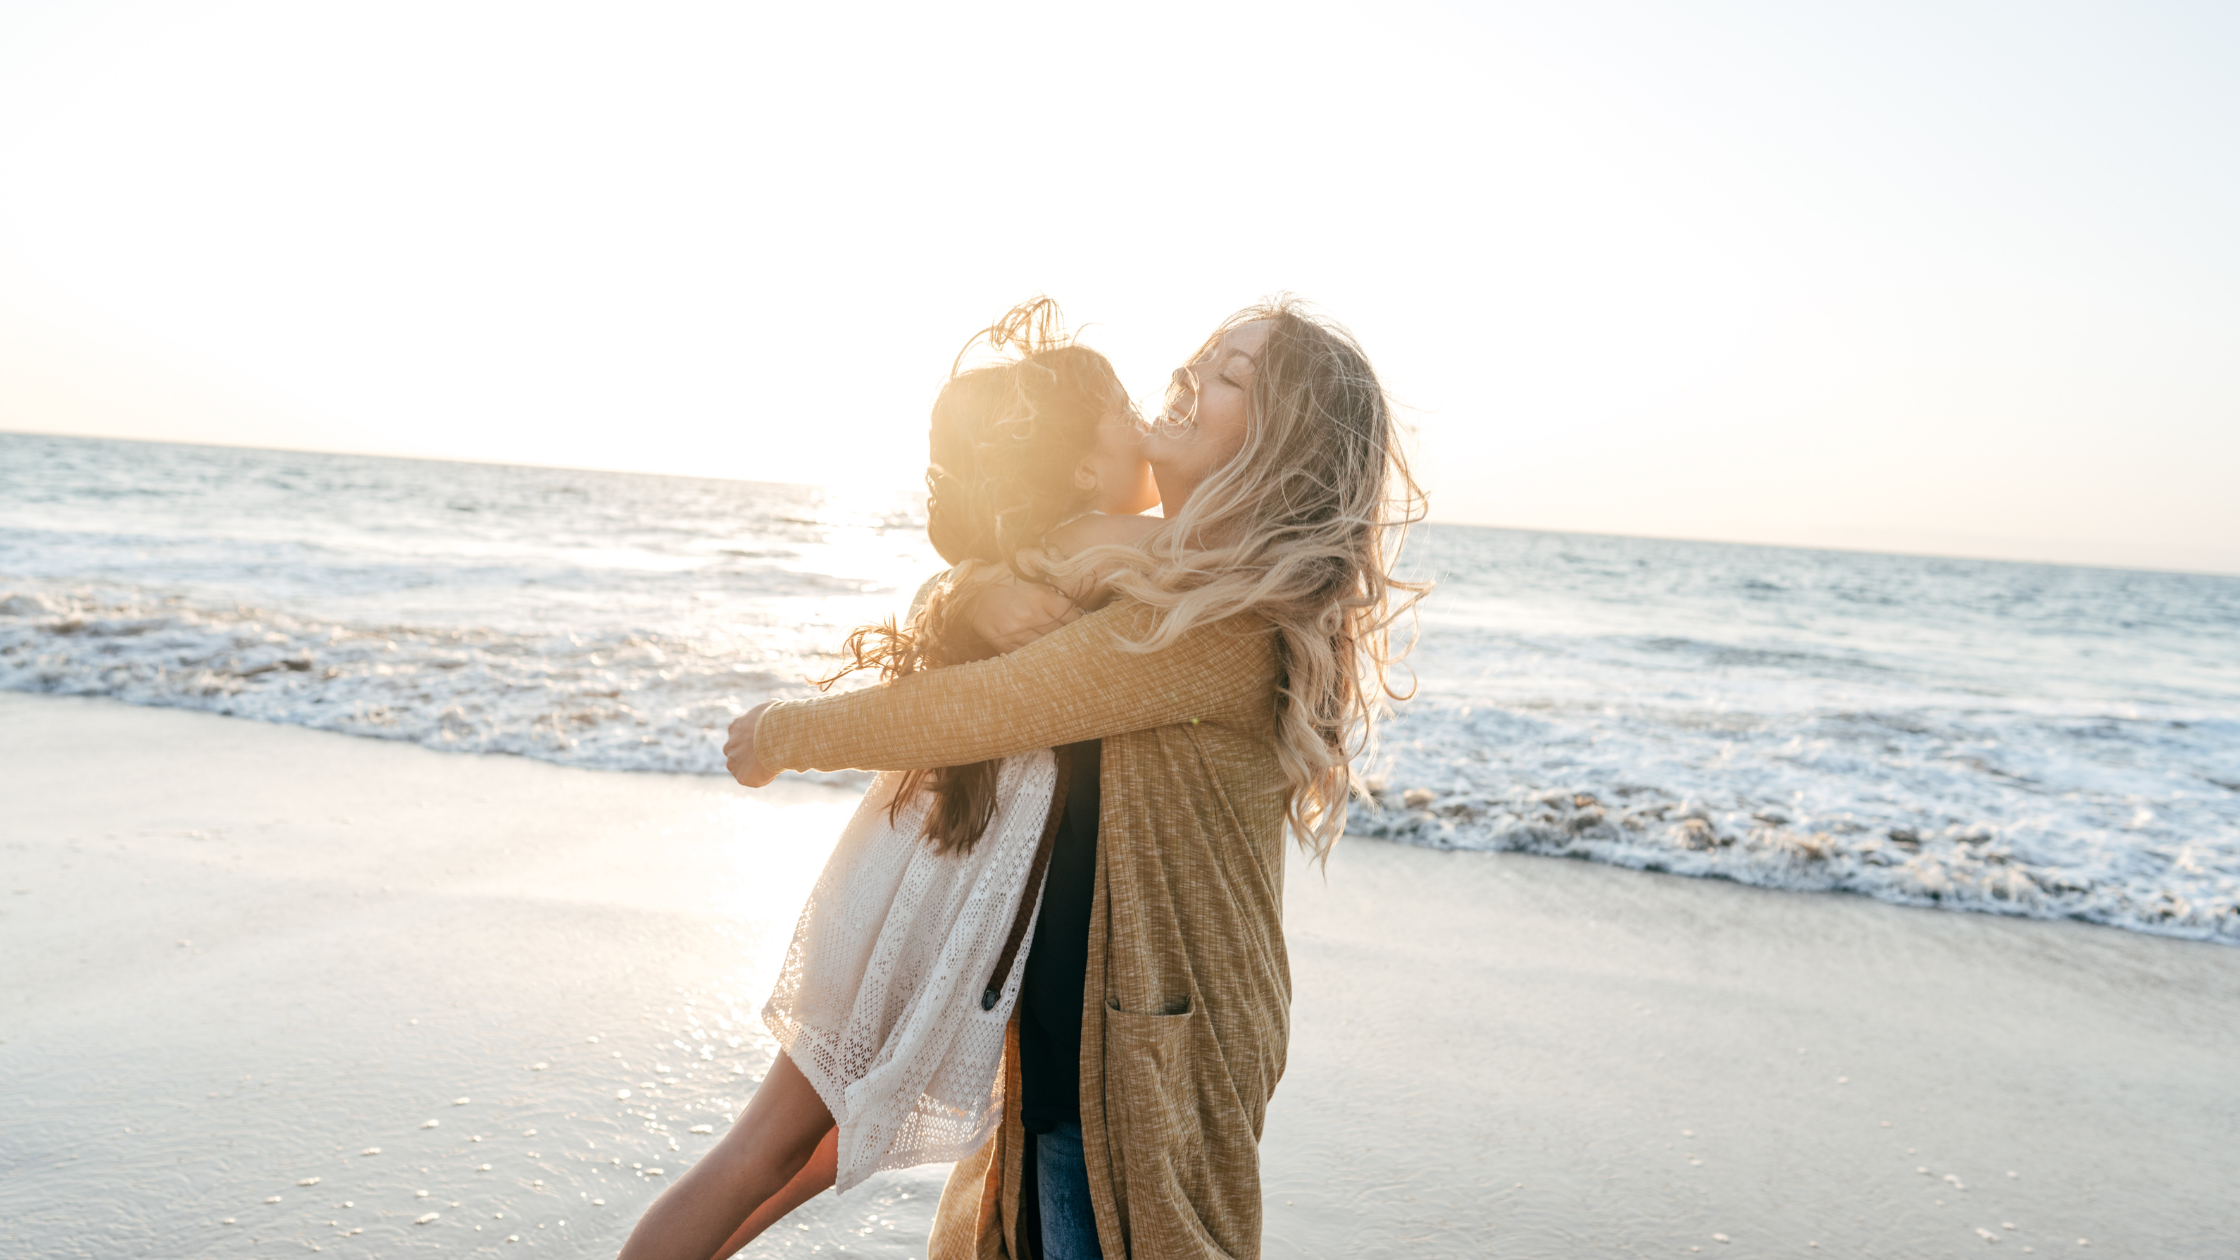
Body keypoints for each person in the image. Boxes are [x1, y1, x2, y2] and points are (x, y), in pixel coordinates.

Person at [725, 297, 1425, 1260]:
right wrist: (973, 585)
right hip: (1082, 1029)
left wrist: (782, 733)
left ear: (1282, 451)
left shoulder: (1216, 624)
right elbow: (997, 561)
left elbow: (984, 704)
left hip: (1153, 1046)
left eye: (1233, 378)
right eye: (1203, 358)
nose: (1191, 377)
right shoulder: (1141, 576)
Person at [618, 299, 1160, 1260]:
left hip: (920, 874)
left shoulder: (1028, 562)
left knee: (797, 1148)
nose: (1149, 420)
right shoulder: (1095, 553)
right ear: (1082, 467)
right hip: (937, 894)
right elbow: (1214, 554)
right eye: (1128, 410)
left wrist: (973, 579)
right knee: (771, 1147)